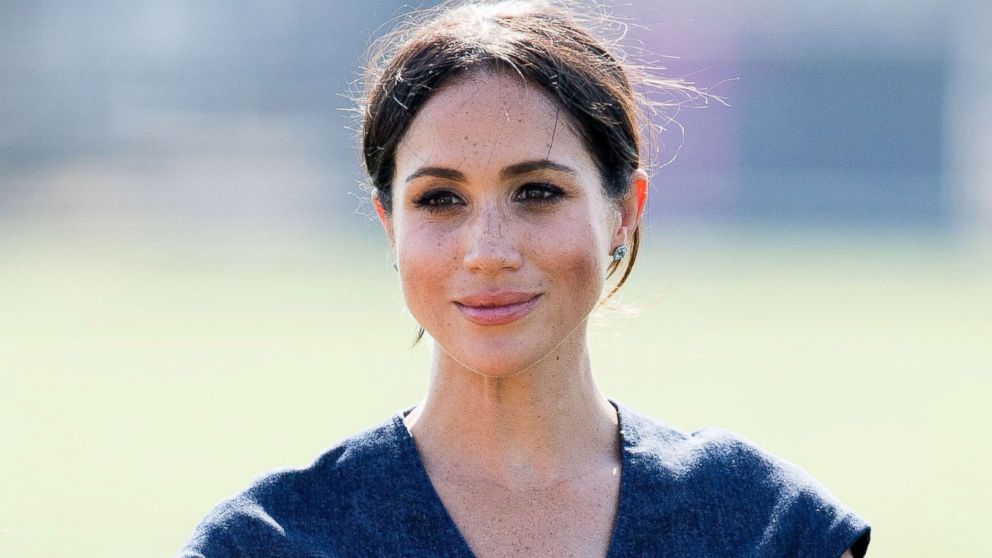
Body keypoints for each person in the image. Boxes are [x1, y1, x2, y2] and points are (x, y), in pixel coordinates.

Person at [177, 1, 871, 556]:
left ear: (625, 211)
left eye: (536, 192)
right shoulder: (270, 541)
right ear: (390, 224)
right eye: (439, 199)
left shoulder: (761, 526)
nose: (487, 251)